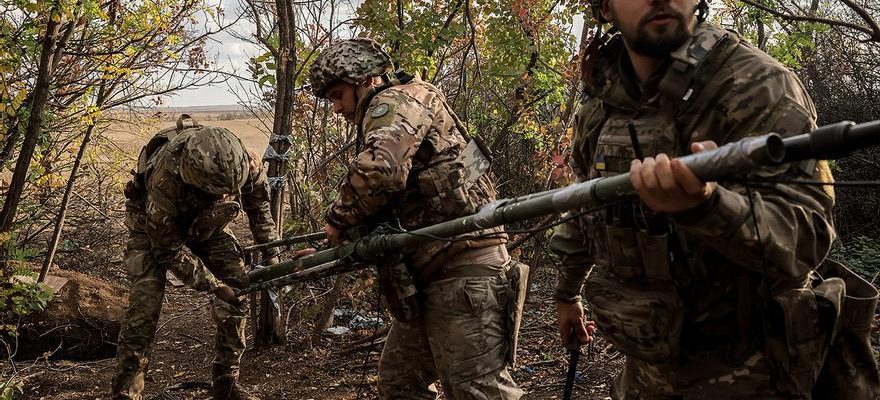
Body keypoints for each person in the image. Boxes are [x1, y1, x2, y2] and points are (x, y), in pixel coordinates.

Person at [551, 0, 846, 398]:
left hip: (754, 370)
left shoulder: (759, 84)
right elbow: (585, 205)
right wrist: (566, 294)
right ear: (605, 8)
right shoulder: (600, 103)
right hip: (645, 369)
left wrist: (707, 206)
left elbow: (807, 238)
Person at [308, 38, 525, 399]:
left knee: (479, 392)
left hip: (464, 270)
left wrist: (337, 220)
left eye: (337, 94)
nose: (335, 108)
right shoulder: (409, 100)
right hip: (433, 274)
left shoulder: (394, 102)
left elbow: (382, 170)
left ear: (364, 81)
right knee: (400, 384)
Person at [112, 116, 283, 400]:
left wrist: (273, 255)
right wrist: (214, 286)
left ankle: (227, 384)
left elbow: (260, 210)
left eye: (228, 191)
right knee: (144, 308)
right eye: (216, 191)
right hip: (152, 227)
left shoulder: (244, 162)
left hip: (206, 224)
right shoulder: (166, 178)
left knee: (239, 286)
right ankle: (127, 393)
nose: (225, 195)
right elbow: (166, 249)